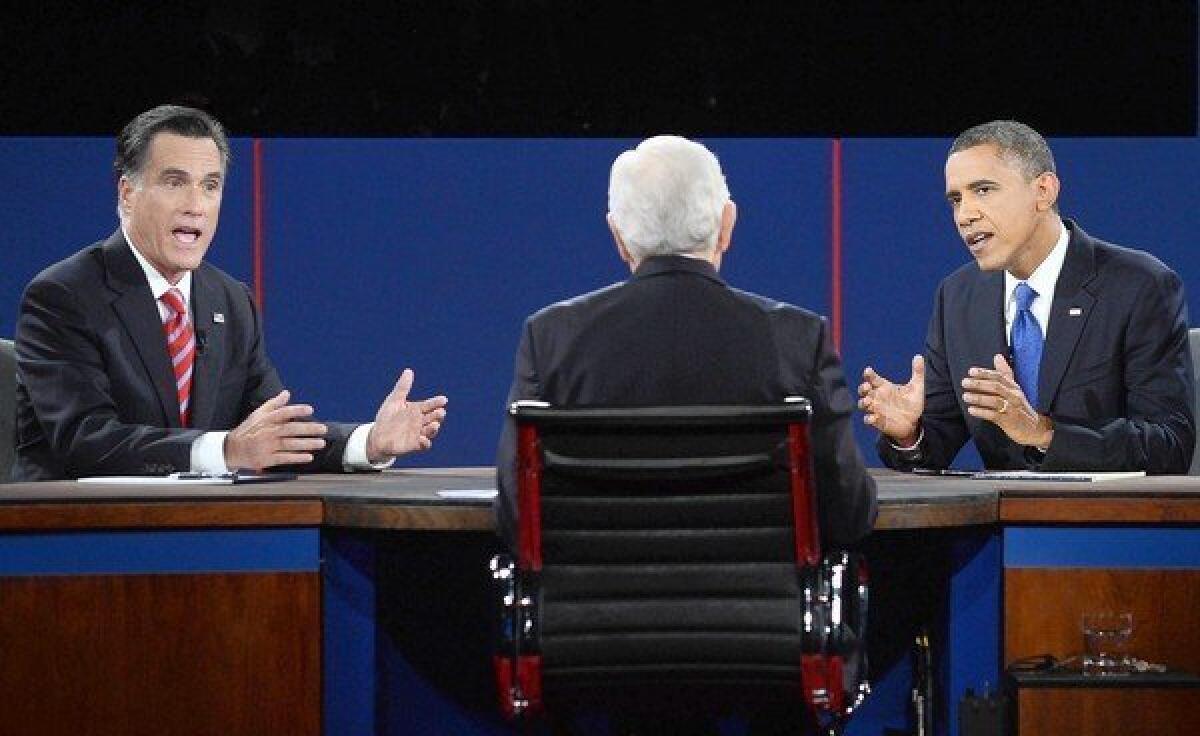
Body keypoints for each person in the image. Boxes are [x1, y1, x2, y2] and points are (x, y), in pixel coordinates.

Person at [13, 104, 448, 481]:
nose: (195, 204)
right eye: (174, 182)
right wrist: (225, 452)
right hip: (80, 544)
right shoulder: (64, 296)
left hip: (205, 535)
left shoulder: (229, 300)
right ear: (127, 194)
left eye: (210, 185)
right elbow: (86, 440)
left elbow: (271, 434)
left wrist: (368, 441)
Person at [496, 134, 877, 551]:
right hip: (756, 609)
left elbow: (517, 512)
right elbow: (847, 511)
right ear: (726, 225)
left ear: (618, 236)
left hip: (595, 609)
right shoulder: (799, 339)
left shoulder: (551, 337)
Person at [861, 120, 1193, 473]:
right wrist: (909, 434)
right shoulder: (958, 297)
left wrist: (1044, 433)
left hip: (1105, 523)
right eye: (956, 199)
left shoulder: (1139, 285)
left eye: (984, 190)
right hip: (1006, 525)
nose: (965, 215)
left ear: (1043, 191)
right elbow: (937, 446)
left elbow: (1170, 445)